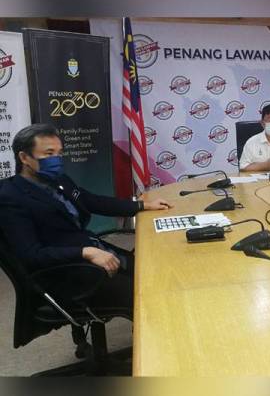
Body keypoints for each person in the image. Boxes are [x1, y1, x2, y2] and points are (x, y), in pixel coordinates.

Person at [0, 124, 172, 313]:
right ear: (24, 157)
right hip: (66, 273)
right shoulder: (10, 197)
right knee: (147, 295)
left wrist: (141, 205)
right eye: (49, 153)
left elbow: (92, 201)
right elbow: (32, 255)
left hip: (93, 251)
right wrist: (85, 252)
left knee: (156, 273)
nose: (56, 159)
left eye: (59, 153)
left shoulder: (58, 180)